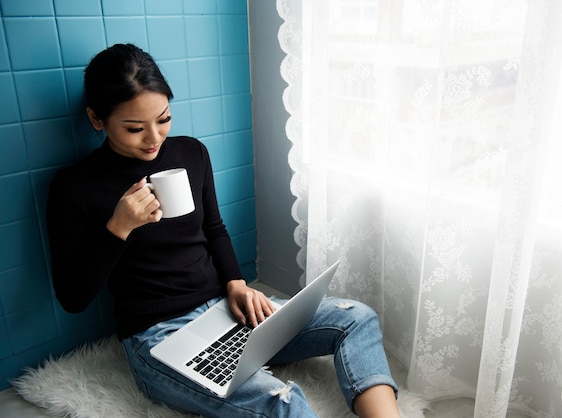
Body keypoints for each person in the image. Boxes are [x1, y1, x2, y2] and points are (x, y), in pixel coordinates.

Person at [47, 43, 400, 418]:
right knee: (282, 402)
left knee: (356, 317)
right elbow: (73, 297)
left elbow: (213, 228)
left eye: (164, 118)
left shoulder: (191, 153)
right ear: (96, 119)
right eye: (134, 128)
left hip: (226, 311)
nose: (154, 138)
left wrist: (235, 282)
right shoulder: (75, 186)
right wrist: (118, 227)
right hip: (159, 337)